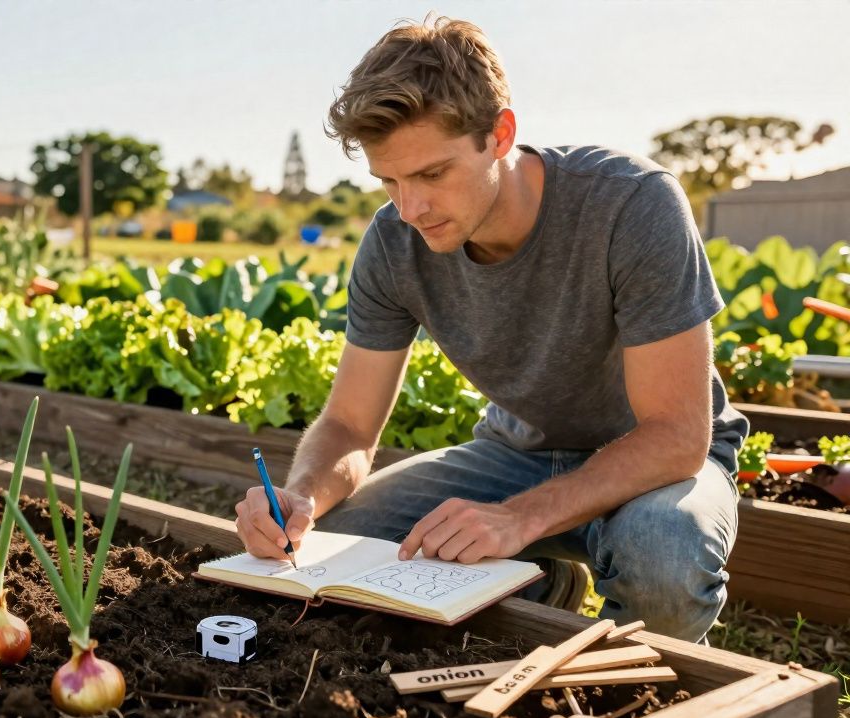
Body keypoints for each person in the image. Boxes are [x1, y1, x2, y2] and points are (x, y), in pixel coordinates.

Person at [232, 16, 748, 644]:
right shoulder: (393, 243)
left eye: (431, 174)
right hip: (512, 457)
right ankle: (537, 580)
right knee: (341, 542)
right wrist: (302, 497)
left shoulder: (631, 203)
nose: (409, 208)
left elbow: (675, 436)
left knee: (665, 557)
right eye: (389, 180)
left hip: (654, 462)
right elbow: (348, 425)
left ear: (500, 134)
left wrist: (518, 518)